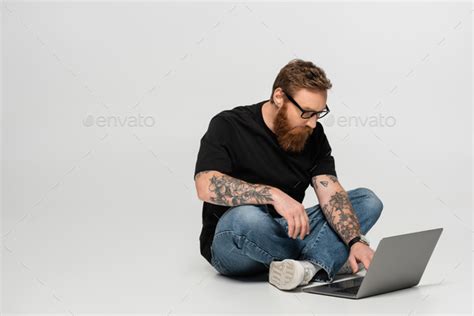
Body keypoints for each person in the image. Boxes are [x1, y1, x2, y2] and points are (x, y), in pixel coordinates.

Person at [193, 59, 384, 291]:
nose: (313, 124)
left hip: (292, 230)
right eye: (306, 113)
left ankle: (305, 268)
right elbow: (205, 185)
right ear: (279, 97)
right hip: (234, 240)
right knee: (246, 217)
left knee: (367, 200)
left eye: (318, 114)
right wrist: (273, 195)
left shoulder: (313, 135)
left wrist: (355, 241)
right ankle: (325, 259)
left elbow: (330, 192)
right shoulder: (228, 124)